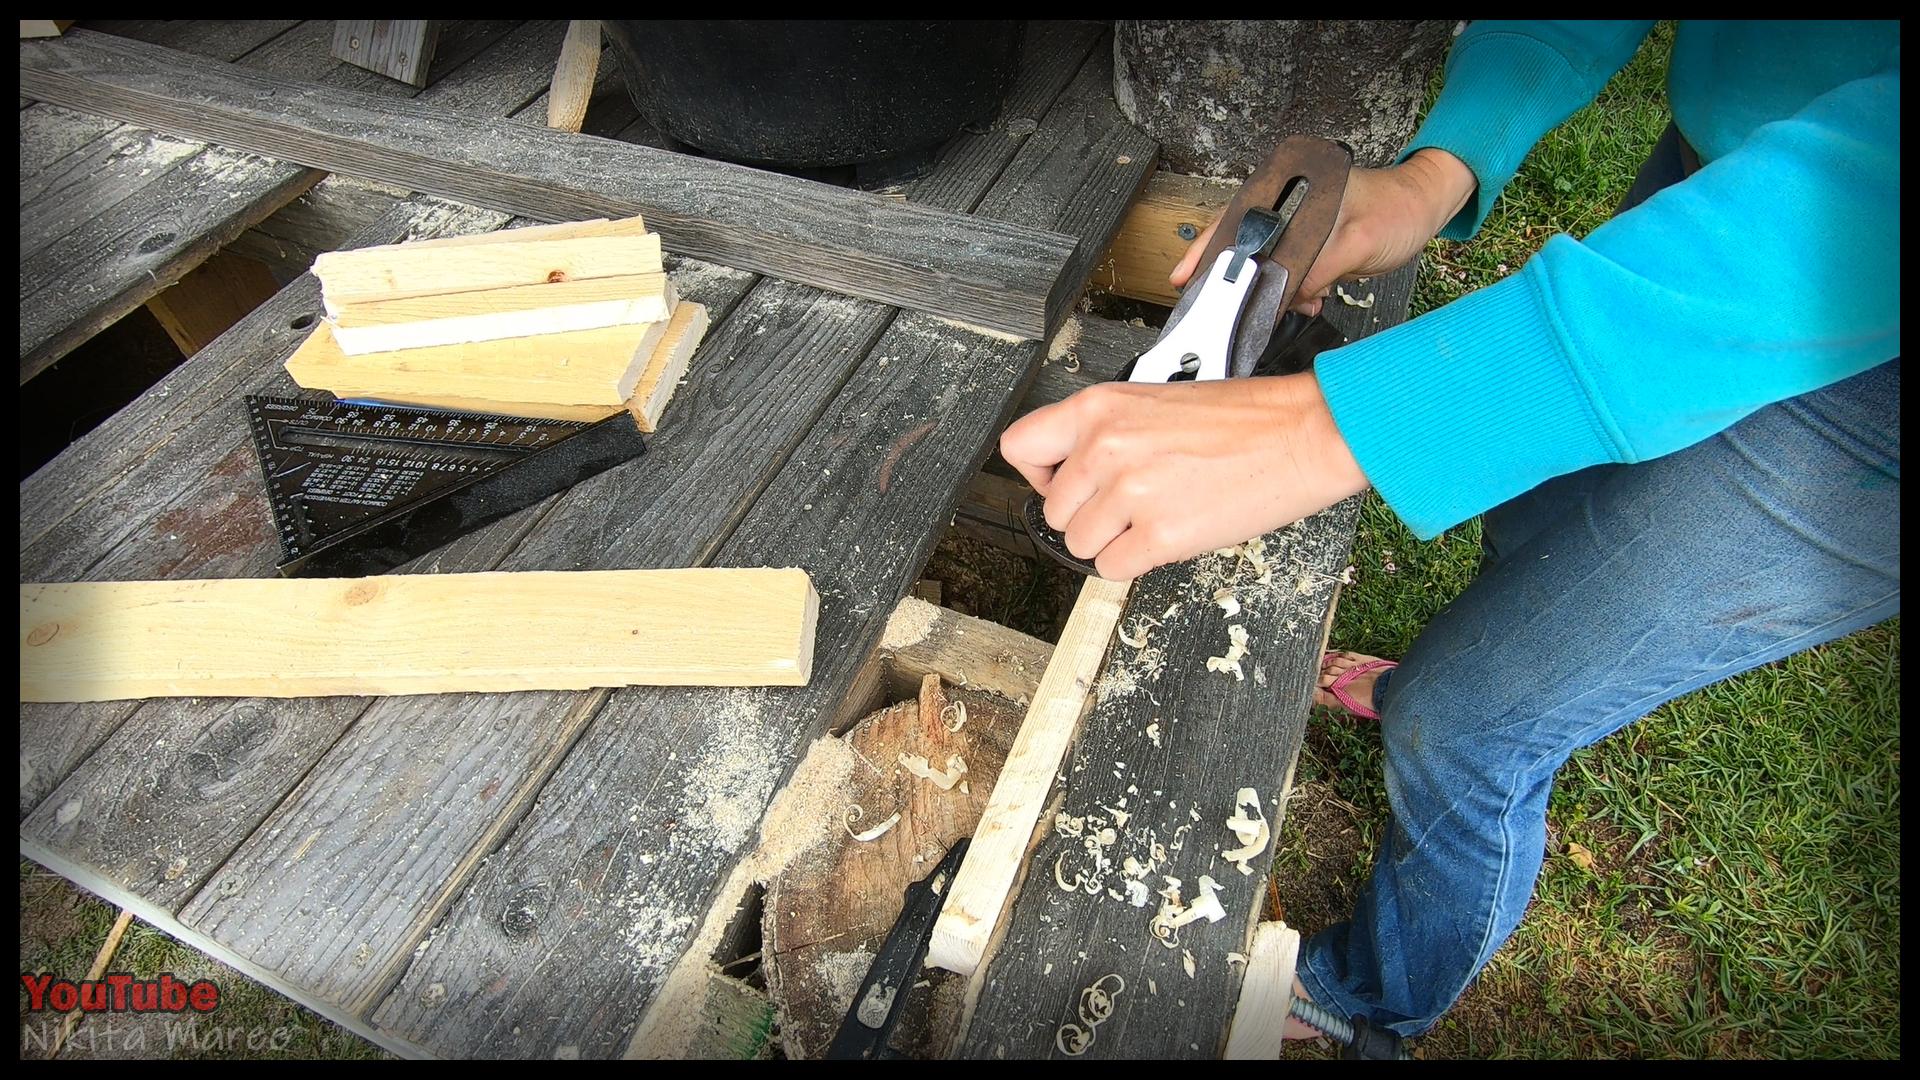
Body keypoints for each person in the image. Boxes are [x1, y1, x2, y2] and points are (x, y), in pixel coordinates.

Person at [998, 21, 1899, 1039]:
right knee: (1540, 525)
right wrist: (1439, 172)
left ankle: (1372, 999)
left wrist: (1331, 425)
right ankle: (1491, 658)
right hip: (1726, 197)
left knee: (1472, 725)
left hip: (1869, 378)